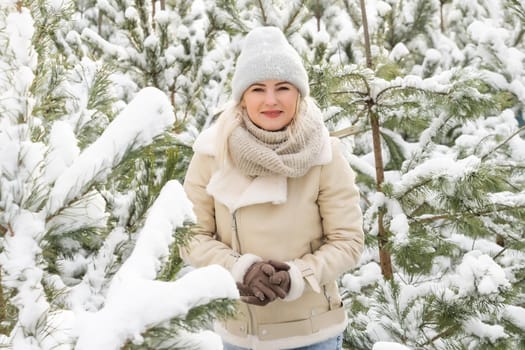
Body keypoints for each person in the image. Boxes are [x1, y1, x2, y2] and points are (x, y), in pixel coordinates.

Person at [182, 26, 364, 350]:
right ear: (242, 97)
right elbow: (189, 237)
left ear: (298, 93)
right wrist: (239, 269)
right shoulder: (211, 153)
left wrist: (297, 275)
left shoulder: (324, 154)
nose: (270, 100)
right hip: (242, 335)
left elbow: (347, 241)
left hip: (312, 334)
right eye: (257, 89)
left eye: (282, 87)